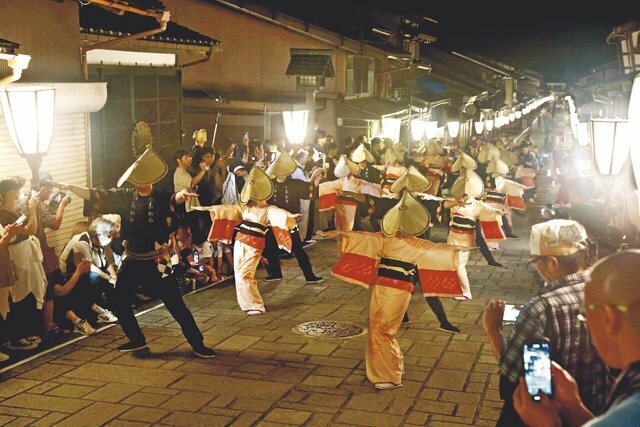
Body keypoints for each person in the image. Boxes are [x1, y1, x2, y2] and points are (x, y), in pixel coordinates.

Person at [60, 148, 216, 357]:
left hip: (159, 261)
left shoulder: (160, 196)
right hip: (133, 260)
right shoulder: (126, 197)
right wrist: (70, 187)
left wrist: (182, 195)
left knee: (175, 303)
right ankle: (137, 339)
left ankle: (198, 344)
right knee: (118, 300)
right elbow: (97, 194)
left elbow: (175, 198)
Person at [327, 191, 468, 390]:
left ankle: (390, 376)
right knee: (378, 327)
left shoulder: (417, 244)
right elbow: (365, 238)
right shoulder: (385, 238)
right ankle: (390, 368)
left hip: (398, 291)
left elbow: (438, 250)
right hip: (381, 287)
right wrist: (341, 233)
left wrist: (457, 250)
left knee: (384, 330)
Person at [483, 219, 610, 426]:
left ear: (552, 263)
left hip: (550, 416)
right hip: (598, 413)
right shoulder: (608, 293)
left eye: (535, 262)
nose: (535, 268)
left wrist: (492, 329)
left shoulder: (541, 309)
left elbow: (515, 374)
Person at [512, 250, 640, 426]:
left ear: (608, 318)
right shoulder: (631, 381)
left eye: (584, 313)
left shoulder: (631, 412)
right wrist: (573, 407)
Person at [196, 167, 300, 315]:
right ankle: (247, 304)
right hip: (240, 241)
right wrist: (212, 208)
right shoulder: (244, 207)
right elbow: (229, 209)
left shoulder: (269, 209)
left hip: (254, 244)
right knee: (239, 274)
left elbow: (279, 214)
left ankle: (256, 305)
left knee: (246, 274)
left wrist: (289, 216)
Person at [19, 172, 73, 337]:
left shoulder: (28, 201)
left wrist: (56, 187)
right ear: (43, 188)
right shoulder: (36, 204)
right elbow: (55, 224)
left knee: (44, 288)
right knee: (47, 288)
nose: (50, 193)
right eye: (49, 189)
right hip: (37, 252)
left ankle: (47, 325)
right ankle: (49, 325)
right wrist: (62, 204)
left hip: (35, 250)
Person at [444, 154, 506, 299]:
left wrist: (497, 212)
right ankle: (457, 288)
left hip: (465, 239)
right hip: (452, 236)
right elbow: (445, 204)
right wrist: (457, 202)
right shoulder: (455, 199)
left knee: (459, 266)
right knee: (453, 264)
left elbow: (489, 212)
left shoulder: (477, 204)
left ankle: (466, 293)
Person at [0, 177, 47, 351]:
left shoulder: (13, 212)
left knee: (29, 293)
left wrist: (31, 206)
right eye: (19, 191)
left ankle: (25, 332)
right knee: (19, 294)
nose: (20, 194)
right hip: (17, 257)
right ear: (11, 193)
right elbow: (31, 229)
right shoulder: (3, 214)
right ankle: (16, 336)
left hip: (26, 254)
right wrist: (32, 209)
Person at [262, 152, 323, 283]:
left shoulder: (295, 183)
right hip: (274, 220)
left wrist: (316, 182)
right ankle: (275, 273)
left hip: (289, 220)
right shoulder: (270, 184)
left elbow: (308, 190)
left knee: (297, 248)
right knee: (270, 247)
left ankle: (309, 275)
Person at [59, 217, 119, 322]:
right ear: (99, 235)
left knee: (112, 277)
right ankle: (95, 310)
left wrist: (114, 276)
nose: (110, 238)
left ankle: (113, 307)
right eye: (108, 235)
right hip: (70, 275)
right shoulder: (81, 241)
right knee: (95, 276)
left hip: (85, 271)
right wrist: (109, 277)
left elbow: (106, 262)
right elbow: (89, 266)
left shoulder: (98, 242)